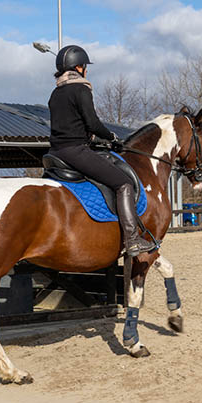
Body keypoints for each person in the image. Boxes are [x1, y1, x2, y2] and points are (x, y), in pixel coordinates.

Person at [48, 44, 155, 257]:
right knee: (123, 184)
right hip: (75, 151)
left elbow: (73, 126)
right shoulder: (81, 88)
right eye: (85, 66)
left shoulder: (56, 93)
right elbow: (92, 123)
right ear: (79, 67)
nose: (86, 70)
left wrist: (94, 139)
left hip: (55, 153)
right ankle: (133, 239)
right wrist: (112, 137)